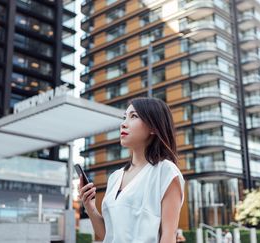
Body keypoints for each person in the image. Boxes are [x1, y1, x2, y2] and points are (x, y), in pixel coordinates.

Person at [78, 97, 185, 243]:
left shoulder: (166, 172)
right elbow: (108, 235)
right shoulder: (115, 177)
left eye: (133, 116)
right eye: (124, 117)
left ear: (153, 127)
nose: (123, 124)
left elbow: (169, 236)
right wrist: (90, 208)